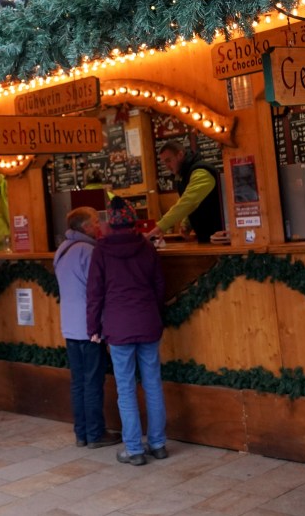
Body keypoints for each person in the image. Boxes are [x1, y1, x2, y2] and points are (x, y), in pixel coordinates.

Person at [87, 197, 167, 466]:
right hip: (147, 323)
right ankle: (157, 444)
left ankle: (133, 449)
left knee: (126, 388)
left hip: (119, 327)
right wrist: (154, 314)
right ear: (133, 221)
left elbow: (95, 293)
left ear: (110, 222)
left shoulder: (101, 250)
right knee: (153, 384)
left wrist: (93, 327)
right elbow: (159, 287)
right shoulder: (146, 247)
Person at [54, 206, 120, 449]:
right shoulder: (89, 251)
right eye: (95, 221)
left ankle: (81, 433)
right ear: (84, 227)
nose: (99, 225)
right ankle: (95, 434)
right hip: (89, 327)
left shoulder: (62, 250)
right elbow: (98, 290)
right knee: (93, 382)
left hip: (69, 327)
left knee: (78, 382)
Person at [147, 140, 223, 243]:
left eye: (168, 160)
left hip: (221, 237)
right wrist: (186, 224)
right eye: (164, 162)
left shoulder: (201, 172)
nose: (166, 166)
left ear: (180, 154)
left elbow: (188, 202)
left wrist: (160, 226)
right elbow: (196, 204)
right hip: (208, 238)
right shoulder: (182, 176)